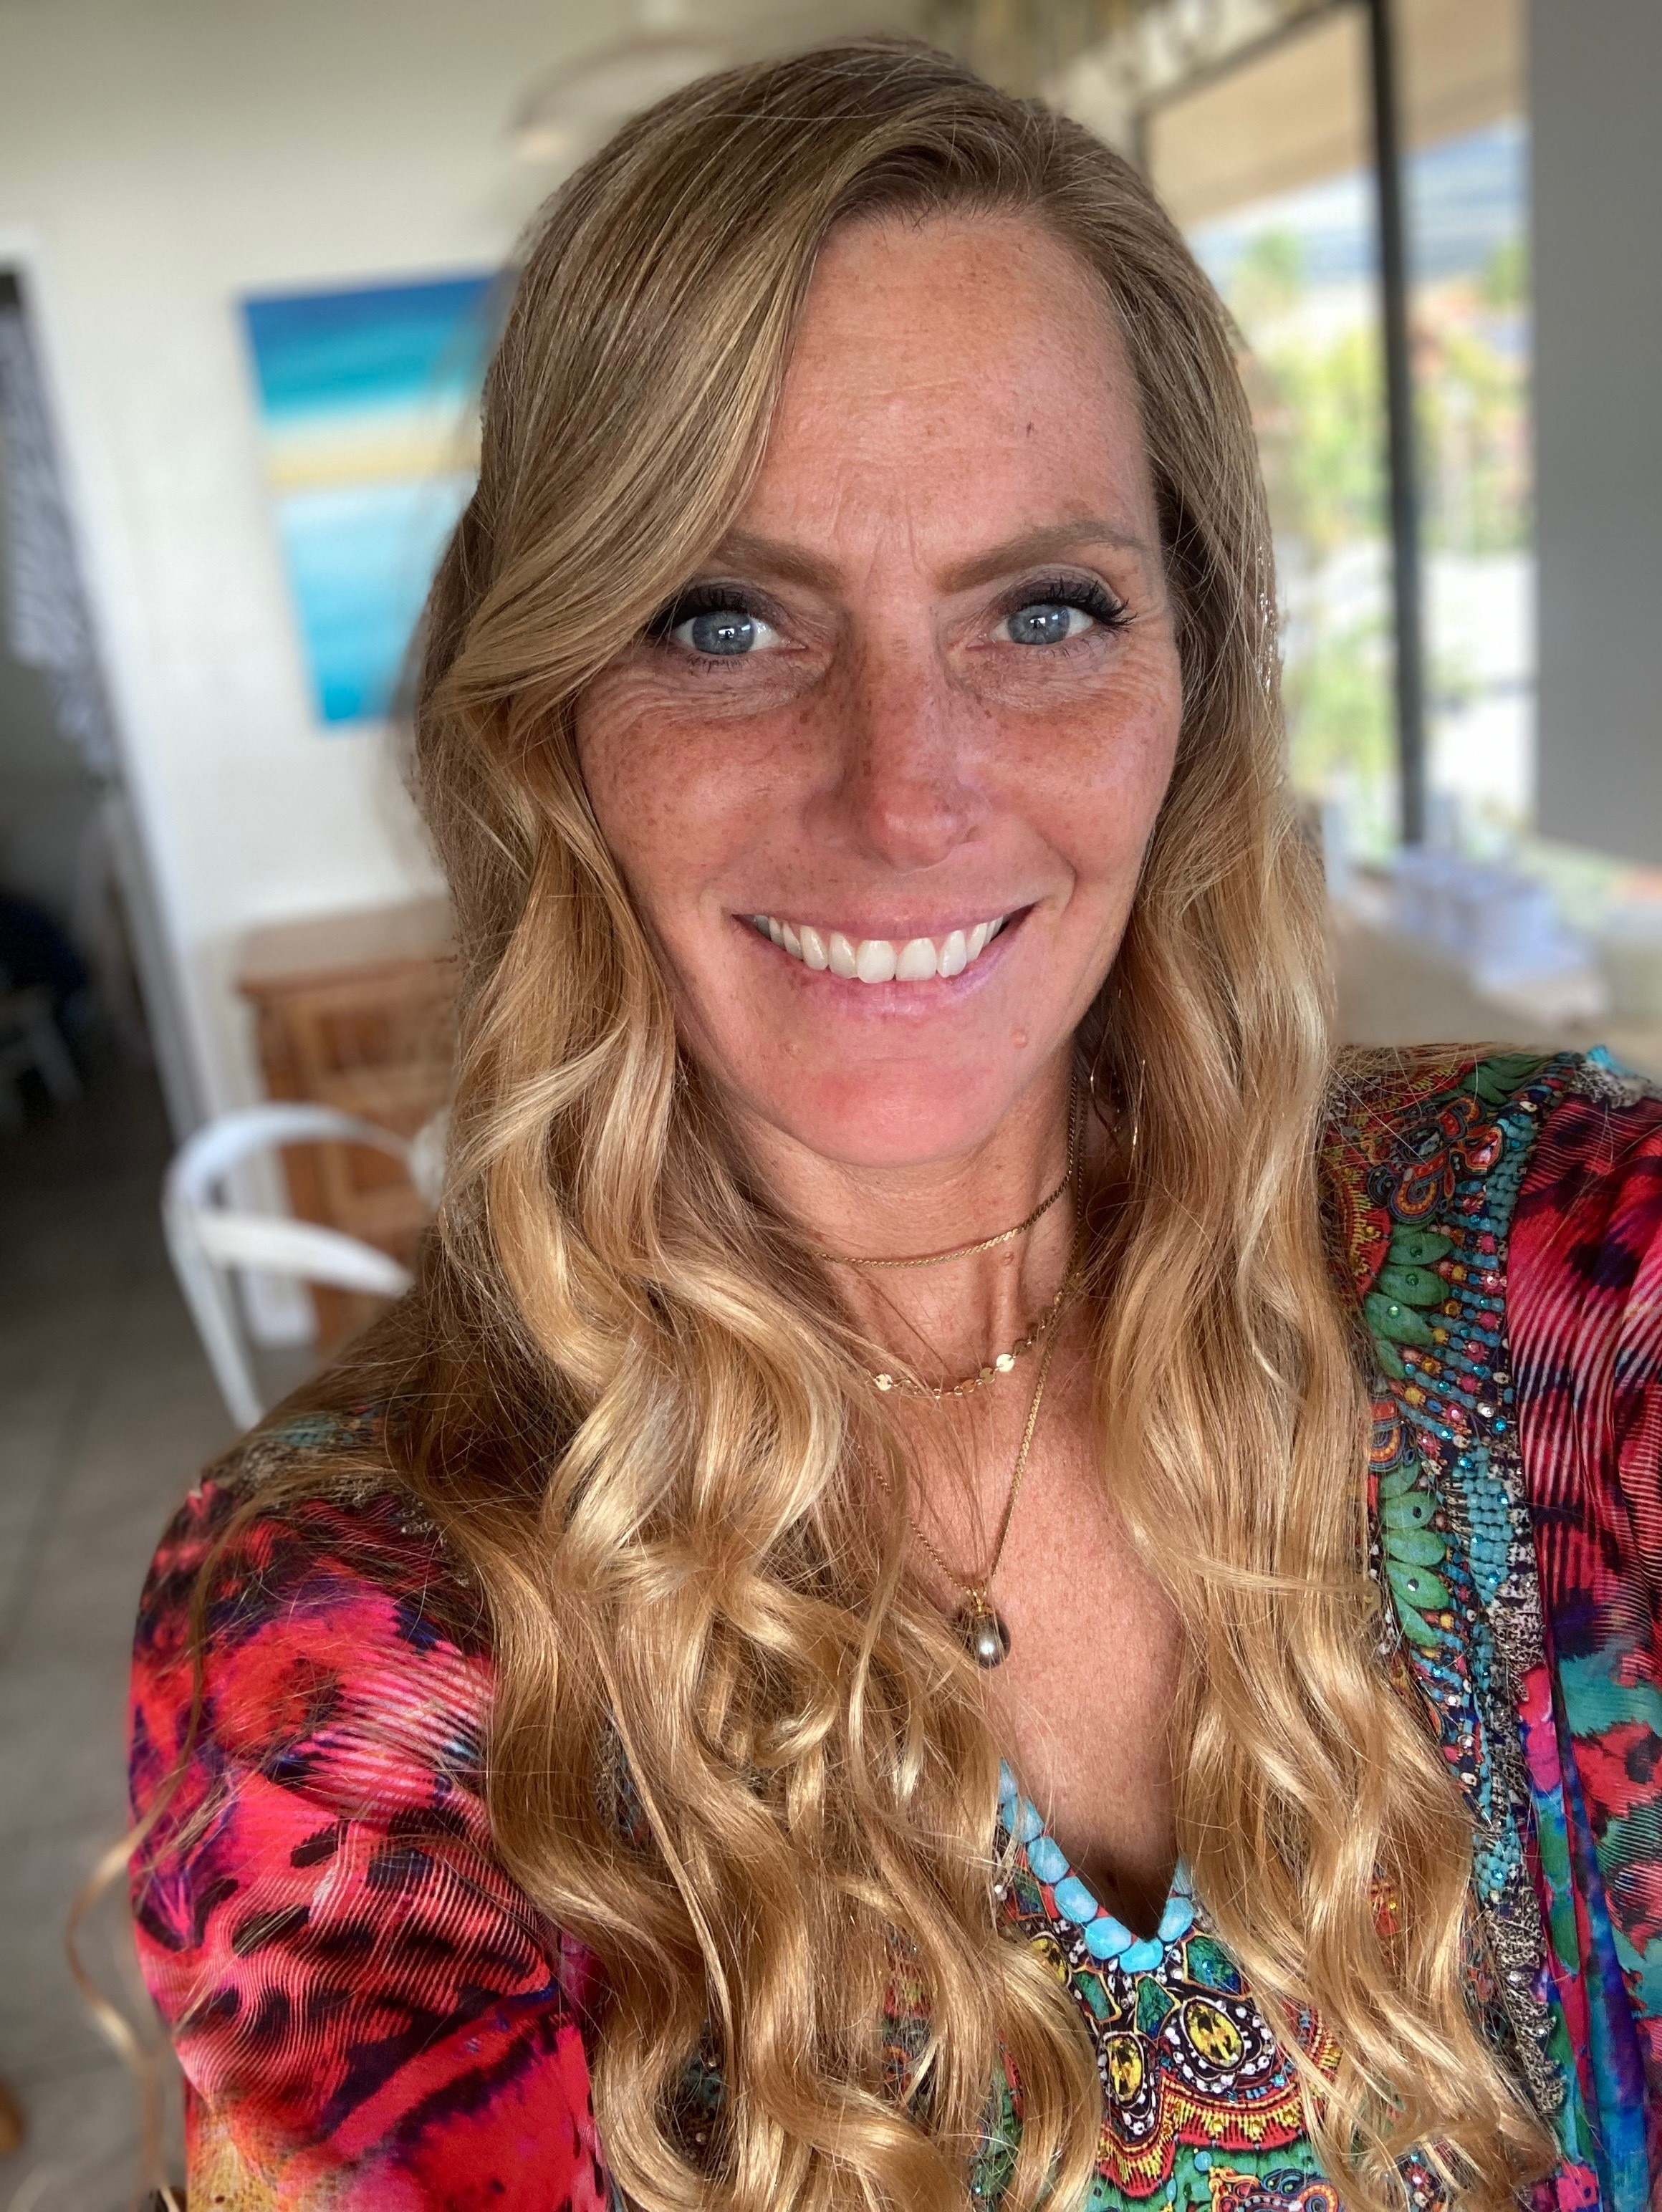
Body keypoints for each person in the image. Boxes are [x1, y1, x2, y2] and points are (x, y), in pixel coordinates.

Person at [127, 41, 1662, 2212]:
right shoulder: (353, 1637)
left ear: (1191, 679)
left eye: (1045, 611)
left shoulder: (1557, 1267)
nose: (906, 795)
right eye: (720, 618)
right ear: (551, 713)